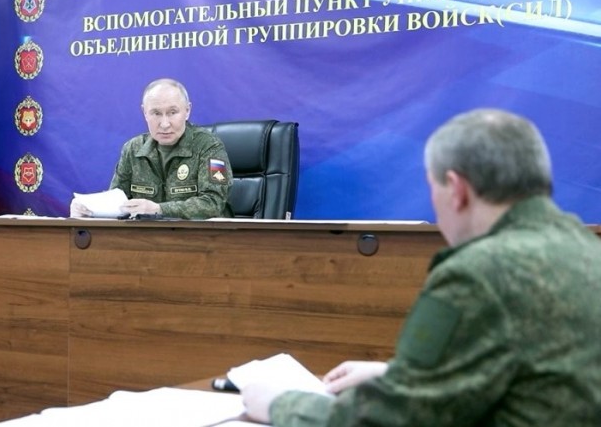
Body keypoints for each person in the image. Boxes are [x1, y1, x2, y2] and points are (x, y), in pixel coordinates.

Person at [242, 108, 601, 426]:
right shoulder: (587, 250)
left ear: (457, 190)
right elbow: (539, 369)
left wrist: (280, 405)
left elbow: (392, 419)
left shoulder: (477, 273)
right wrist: (396, 374)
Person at [71, 78, 233, 219]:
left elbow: (214, 202)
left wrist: (159, 209)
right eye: (156, 113)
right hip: (147, 239)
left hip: (199, 238)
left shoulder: (209, 146)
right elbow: (117, 202)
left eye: (172, 112)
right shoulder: (133, 149)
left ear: (187, 111)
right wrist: (89, 210)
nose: (164, 124)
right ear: (145, 113)